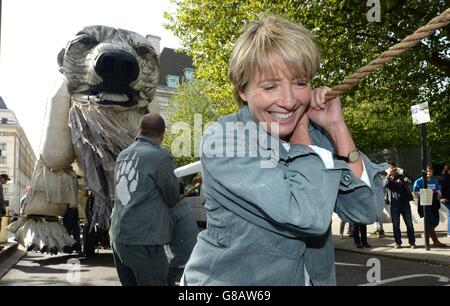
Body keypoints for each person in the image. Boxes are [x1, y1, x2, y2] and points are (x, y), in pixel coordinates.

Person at [182, 15, 386, 286]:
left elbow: (367, 211)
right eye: (270, 86)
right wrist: (303, 130)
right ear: (243, 90)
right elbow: (306, 217)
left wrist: (337, 128)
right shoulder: (225, 139)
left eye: (300, 83)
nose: (289, 101)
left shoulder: (318, 137)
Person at [109, 113, 180, 286]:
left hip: (118, 238)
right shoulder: (159, 156)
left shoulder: (122, 156)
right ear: (162, 136)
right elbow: (172, 197)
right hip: (144, 241)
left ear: (139, 130)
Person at [413, 165, 446, 248]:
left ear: (432, 172)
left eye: (430, 171)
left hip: (434, 203)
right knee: (430, 222)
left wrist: (438, 194)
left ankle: (425, 233)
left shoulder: (434, 180)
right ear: (424, 172)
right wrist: (425, 192)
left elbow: (438, 190)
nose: (428, 173)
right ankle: (436, 241)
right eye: (427, 171)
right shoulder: (419, 181)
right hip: (425, 203)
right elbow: (415, 193)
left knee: (436, 221)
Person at [384, 164, 416, 249]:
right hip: (394, 205)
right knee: (395, 225)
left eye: (394, 168)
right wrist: (388, 174)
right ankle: (398, 242)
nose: (393, 170)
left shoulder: (401, 177)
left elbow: (411, 180)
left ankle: (412, 242)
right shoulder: (388, 178)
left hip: (405, 204)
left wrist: (403, 172)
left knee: (409, 224)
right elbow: (384, 185)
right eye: (391, 169)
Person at [439, 164, 450, 237]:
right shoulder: (444, 178)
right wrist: (441, 197)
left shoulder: (444, 176)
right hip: (447, 198)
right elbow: (440, 188)